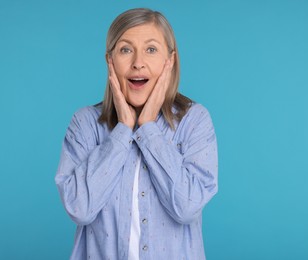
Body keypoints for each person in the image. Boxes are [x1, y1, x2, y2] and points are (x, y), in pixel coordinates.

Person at [55, 8, 218, 260]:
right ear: (110, 61)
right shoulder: (85, 123)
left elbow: (187, 207)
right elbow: (79, 208)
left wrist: (149, 128)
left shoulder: (194, 121)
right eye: (125, 49)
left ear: (170, 61)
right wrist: (123, 131)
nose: (137, 62)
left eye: (151, 49)